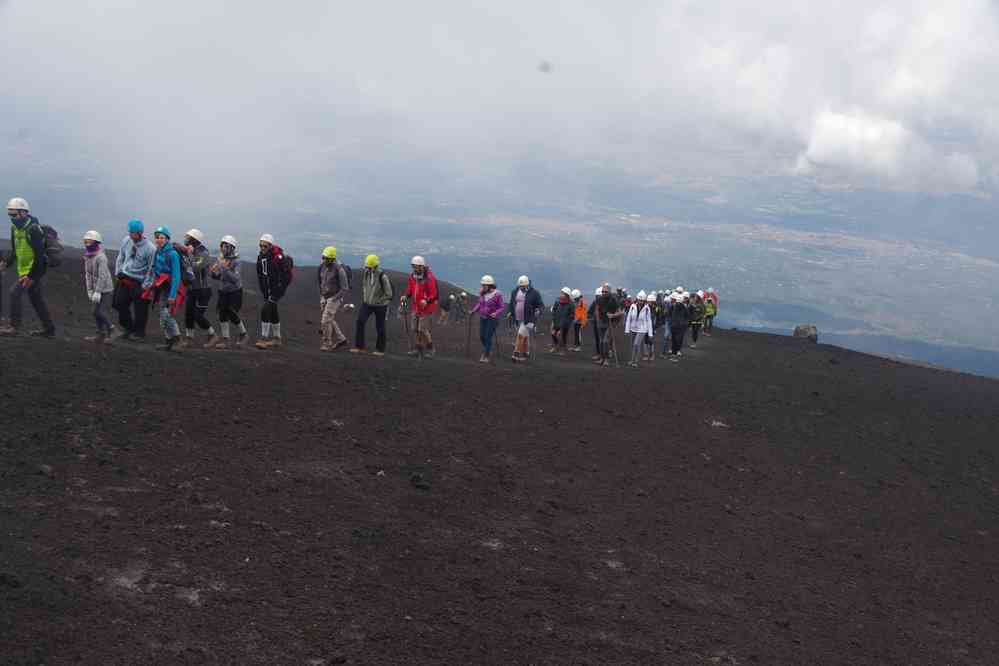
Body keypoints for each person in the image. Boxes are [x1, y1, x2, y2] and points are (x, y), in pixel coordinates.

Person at [0, 197, 56, 338]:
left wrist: (31, 276)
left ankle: (14, 327)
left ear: (24, 213)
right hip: (24, 270)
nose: (12, 218)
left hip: (34, 270)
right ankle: (49, 330)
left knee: (14, 293)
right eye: (9, 214)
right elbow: (15, 251)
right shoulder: (14, 229)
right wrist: (6, 263)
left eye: (14, 214)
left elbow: (39, 256)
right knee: (37, 300)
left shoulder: (33, 230)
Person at [112, 219, 157, 341]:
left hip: (139, 282)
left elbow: (151, 268)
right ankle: (129, 328)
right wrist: (118, 271)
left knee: (140, 309)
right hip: (124, 277)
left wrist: (146, 285)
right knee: (118, 303)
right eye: (130, 232)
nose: (131, 235)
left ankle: (139, 333)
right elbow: (121, 255)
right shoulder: (127, 241)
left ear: (140, 233)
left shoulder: (150, 249)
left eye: (133, 233)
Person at [143, 226, 186, 351]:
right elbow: (155, 270)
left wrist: (173, 295)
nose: (159, 240)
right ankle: (169, 341)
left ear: (167, 239)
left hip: (171, 287)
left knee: (167, 314)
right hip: (162, 286)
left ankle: (178, 339)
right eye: (157, 237)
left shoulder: (172, 254)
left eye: (162, 238)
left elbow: (176, 275)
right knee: (163, 314)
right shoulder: (158, 251)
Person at [178, 228, 217, 348]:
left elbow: (194, 267)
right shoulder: (191, 251)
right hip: (192, 288)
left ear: (194, 240)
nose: (186, 240)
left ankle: (213, 335)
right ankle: (189, 338)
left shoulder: (203, 253)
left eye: (188, 238)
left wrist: (187, 253)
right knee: (188, 314)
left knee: (197, 315)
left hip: (203, 290)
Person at [209, 235, 248, 349]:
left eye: (225, 246)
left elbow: (235, 279)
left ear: (231, 247)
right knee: (222, 314)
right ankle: (226, 340)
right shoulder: (221, 259)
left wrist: (224, 268)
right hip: (223, 291)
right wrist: (213, 273)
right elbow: (220, 277)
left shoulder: (237, 260)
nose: (222, 248)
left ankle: (243, 334)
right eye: (221, 245)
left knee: (231, 312)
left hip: (234, 291)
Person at [352, 254, 393, 356]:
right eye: (367, 266)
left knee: (380, 326)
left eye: (369, 267)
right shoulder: (366, 273)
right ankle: (359, 347)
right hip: (367, 303)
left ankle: (380, 350)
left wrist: (379, 301)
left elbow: (389, 294)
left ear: (375, 266)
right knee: (360, 321)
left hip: (380, 305)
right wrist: (366, 298)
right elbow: (365, 286)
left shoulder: (382, 276)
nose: (367, 268)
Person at [255, 233, 290, 349]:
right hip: (268, 289)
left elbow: (286, 275)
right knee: (273, 310)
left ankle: (264, 338)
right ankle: (277, 339)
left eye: (265, 246)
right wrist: (264, 290)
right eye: (260, 246)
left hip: (277, 289)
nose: (262, 248)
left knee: (265, 309)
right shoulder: (260, 257)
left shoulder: (278, 257)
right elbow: (260, 275)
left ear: (270, 246)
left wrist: (280, 288)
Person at [82, 230, 114, 343]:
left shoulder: (101, 257)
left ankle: (112, 330)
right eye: (85, 242)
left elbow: (102, 276)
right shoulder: (87, 257)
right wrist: (90, 290)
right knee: (95, 312)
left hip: (106, 290)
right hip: (96, 289)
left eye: (89, 242)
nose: (86, 244)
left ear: (96, 242)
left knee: (101, 312)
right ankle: (101, 334)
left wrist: (98, 291)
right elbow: (88, 275)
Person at [402, 255, 438, 358]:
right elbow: (410, 289)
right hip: (416, 306)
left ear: (421, 267)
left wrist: (426, 300)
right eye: (413, 266)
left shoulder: (429, 278)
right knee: (415, 329)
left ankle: (431, 349)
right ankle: (418, 349)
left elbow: (434, 294)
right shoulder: (412, 276)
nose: (414, 268)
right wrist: (406, 296)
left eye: (416, 266)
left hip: (426, 308)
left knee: (422, 329)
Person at [317, 246, 349, 352]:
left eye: (326, 258)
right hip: (325, 297)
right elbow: (321, 282)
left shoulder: (339, 270)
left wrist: (333, 299)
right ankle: (341, 339)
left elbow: (344, 288)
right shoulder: (322, 267)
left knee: (325, 321)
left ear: (332, 259)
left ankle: (327, 344)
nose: (324, 260)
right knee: (329, 319)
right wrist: (322, 297)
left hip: (335, 298)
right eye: (323, 257)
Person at [507, 275, 544, 362]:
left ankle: (515, 354)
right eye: (520, 286)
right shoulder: (515, 291)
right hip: (518, 319)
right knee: (525, 336)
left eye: (523, 286)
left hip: (529, 319)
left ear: (527, 285)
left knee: (520, 335)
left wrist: (538, 310)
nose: (521, 288)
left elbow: (541, 305)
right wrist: (510, 312)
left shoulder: (534, 293)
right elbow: (512, 303)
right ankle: (526, 353)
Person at [471, 275, 504, 363]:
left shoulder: (498, 294)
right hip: (483, 317)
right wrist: (473, 311)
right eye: (482, 285)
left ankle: (486, 355)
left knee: (488, 337)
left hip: (492, 319)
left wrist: (495, 313)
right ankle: (488, 349)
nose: (483, 287)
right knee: (482, 336)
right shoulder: (482, 293)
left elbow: (501, 307)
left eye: (484, 285)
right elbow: (479, 303)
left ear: (490, 286)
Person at [591, 283, 622, 367]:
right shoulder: (599, 299)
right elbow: (597, 310)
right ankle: (602, 358)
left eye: (605, 292)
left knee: (605, 341)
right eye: (602, 291)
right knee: (601, 341)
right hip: (602, 321)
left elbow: (620, 312)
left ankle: (607, 359)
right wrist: (597, 320)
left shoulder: (614, 299)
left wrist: (612, 315)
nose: (604, 293)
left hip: (611, 322)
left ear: (609, 292)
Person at [625, 290, 653, 367]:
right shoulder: (632, 306)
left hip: (642, 329)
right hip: (633, 328)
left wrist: (650, 333)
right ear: (637, 299)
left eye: (642, 300)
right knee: (633, 345)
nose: (641, 301)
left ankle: (635, 361)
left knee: (636, 344)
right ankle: (632, 360)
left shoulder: (647, 308)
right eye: (639, 300)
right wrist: (627, 329)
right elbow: (628, 318)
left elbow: (649, 321)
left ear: (644, 300)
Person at [549, 287, 574, 355]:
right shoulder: (557, 301)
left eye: (563, 293)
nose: (561, 294)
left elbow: (572, 315)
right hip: (556, 321)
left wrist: (567, 322)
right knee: (553, 333)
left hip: (565, 324)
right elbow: (554, 310)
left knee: (563, 336)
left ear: (567, 295)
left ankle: (563, 350)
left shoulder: (571, 304)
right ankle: (556, 346)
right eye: (561, 293)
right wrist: (554, 318)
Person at [668, 291, 690, 361]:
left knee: (676, 341)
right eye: (678, 302)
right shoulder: (678, 307)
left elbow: (687, 317)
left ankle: (674, 355)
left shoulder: (681, 307)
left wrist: (684, 324)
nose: (678, 303)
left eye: (679, 302)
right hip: (676, 327)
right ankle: (674, 355)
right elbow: (669, 314)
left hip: (678, 327)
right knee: (675, 341)